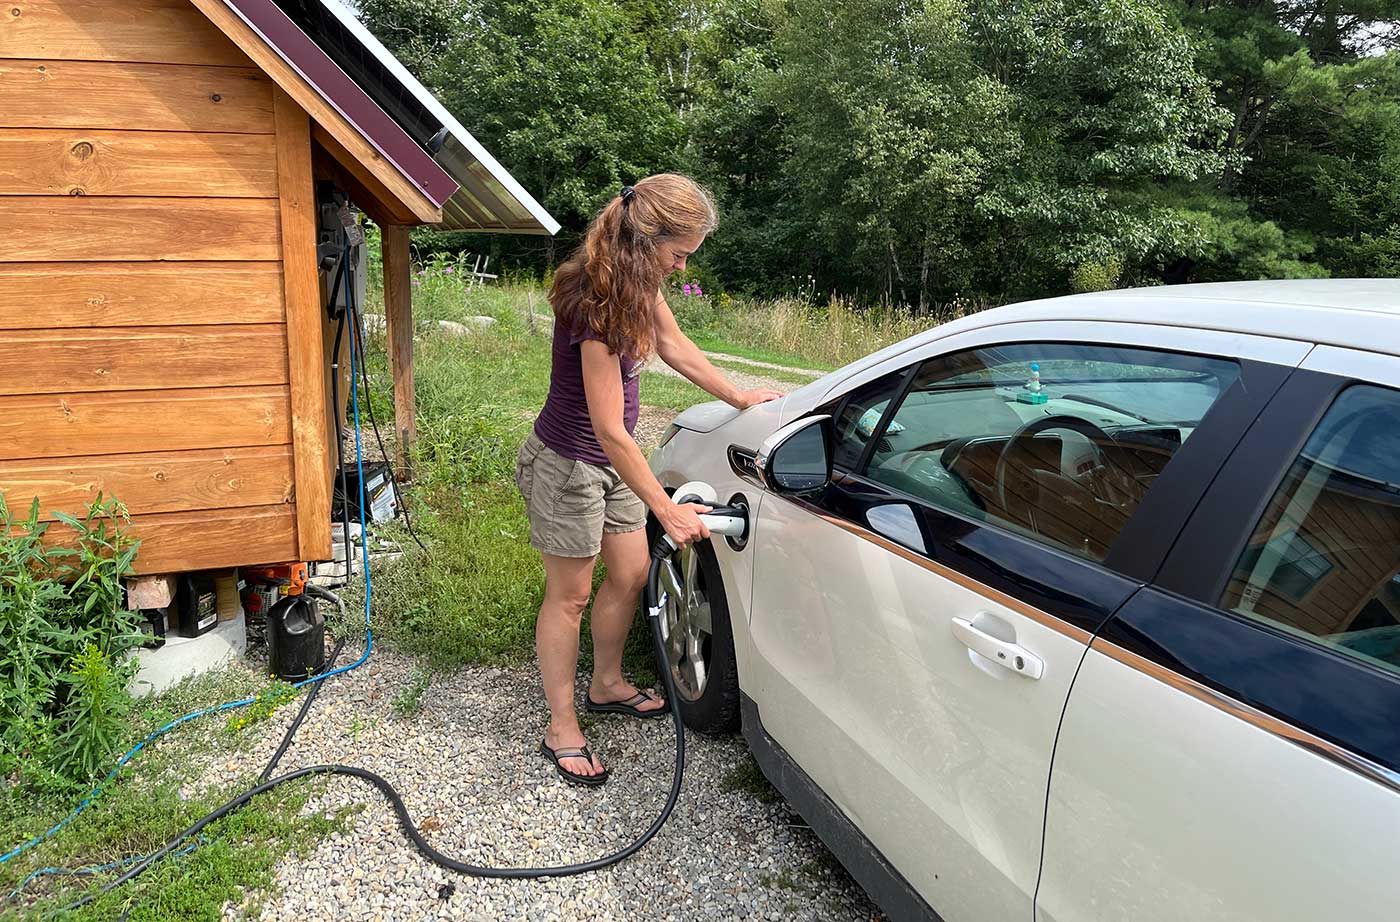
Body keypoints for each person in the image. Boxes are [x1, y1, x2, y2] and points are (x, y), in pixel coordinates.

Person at [516, 174, 782, 786]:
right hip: (571, 466)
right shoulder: (595, 296)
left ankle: (606, 684)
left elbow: (675, 344)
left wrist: (738, 395)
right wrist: (666, 508)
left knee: (632, 572)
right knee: (571, 594)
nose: (682, 264)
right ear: (646, 238)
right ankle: (560, 724)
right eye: (679, 252)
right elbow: (610, 430)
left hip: (611, 465)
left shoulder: (640, 280)